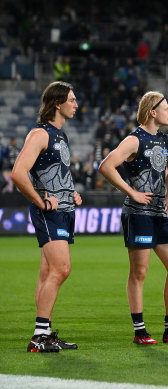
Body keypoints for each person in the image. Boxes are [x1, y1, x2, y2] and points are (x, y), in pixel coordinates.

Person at [98, 91, 168, 344]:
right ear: (153, 112)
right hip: (138, 213)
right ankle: (140, 331)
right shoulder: (134, 140)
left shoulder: (167, 140)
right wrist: (132, 192)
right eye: (166, 107)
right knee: (139, 273)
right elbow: (105, 166)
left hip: (158, 213)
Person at [11, 81, 82, 352]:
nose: (76, 104)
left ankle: (45, 332)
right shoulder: (40, 134)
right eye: (72, 100)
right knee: (62, 269)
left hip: (63, 210)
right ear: (57, 103)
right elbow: (19, 173)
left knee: (47, 273)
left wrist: (71, 193)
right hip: (49, 213)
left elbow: (57, 175)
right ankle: (39, 336)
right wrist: (40, 201)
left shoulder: (59, 135)